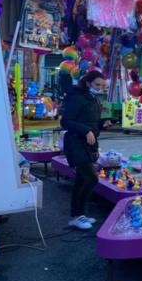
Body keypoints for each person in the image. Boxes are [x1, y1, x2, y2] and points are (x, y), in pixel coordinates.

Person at [61, 71, 111, 230]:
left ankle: (76, 215)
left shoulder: (91, 97)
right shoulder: (75, 96)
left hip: (88, 144)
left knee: (81, 180)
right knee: (91, 178)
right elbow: (66, 121)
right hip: (76, 143)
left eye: (103, 86)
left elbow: (90, 120)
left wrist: (103, 123)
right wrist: (85, 130)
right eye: (97, 85)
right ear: (88, 82)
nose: (100, 88)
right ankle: (77, 215)